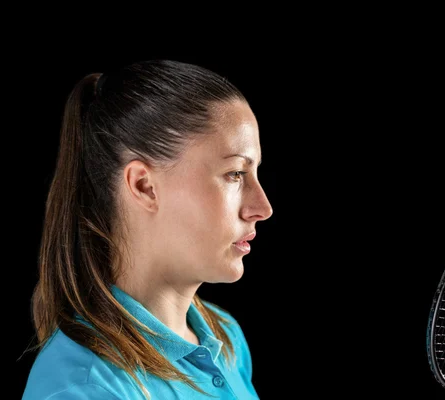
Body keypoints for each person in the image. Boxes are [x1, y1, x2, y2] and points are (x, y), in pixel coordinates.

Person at [21, 59, 273, 400]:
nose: (263, 208)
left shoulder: (225, 339)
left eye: (255, 173)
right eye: (235, 174)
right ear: (144, 186)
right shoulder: (84, 388)